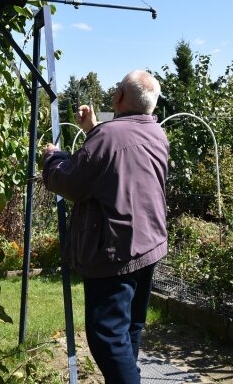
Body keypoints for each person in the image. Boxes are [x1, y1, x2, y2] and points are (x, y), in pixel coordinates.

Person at [42, 70, 169, 384]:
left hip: (115, 250)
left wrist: (51, 158)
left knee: (106, 337)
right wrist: (93, 130)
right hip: (148, 243)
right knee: (129, 329)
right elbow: (114, 160)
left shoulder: (109, 136)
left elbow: (71, 181)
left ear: (120, 97)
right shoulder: (156, 132)